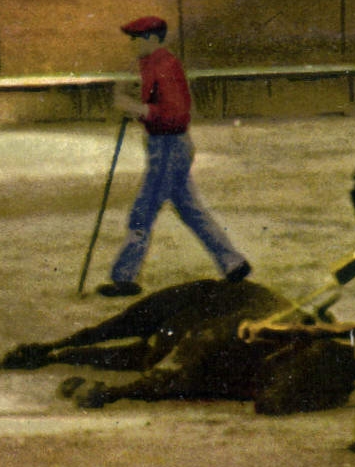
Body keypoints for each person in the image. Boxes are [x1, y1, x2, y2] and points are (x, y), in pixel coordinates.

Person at [98, 17, 251, 297]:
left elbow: (176, 115)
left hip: (169, 146)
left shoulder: (165, 66)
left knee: (144, 211)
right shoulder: (150, 64)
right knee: (190, 210)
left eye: (135, 38)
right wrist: (135, 107)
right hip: (167, 146)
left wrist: (137, 108)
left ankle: (124, 278)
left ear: (151, 39)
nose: (131, 44)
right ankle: (233, 263)